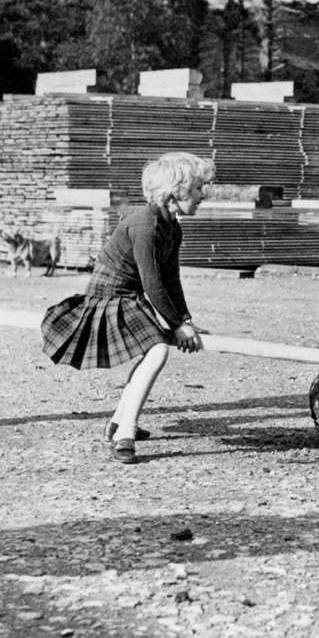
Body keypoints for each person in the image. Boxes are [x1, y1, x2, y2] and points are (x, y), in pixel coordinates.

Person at [41, 151, 213, 464]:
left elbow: (170, 280)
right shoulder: (144, 225)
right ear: (176, 192)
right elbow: (153, 284)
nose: (204, 195)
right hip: (107, 300)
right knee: (158, 350)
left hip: (131, 298)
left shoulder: (172, 227)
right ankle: (125, 432)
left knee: (154, 350)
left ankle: (119, 423)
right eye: (199, 189)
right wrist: (176, 325)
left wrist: (186, 320)